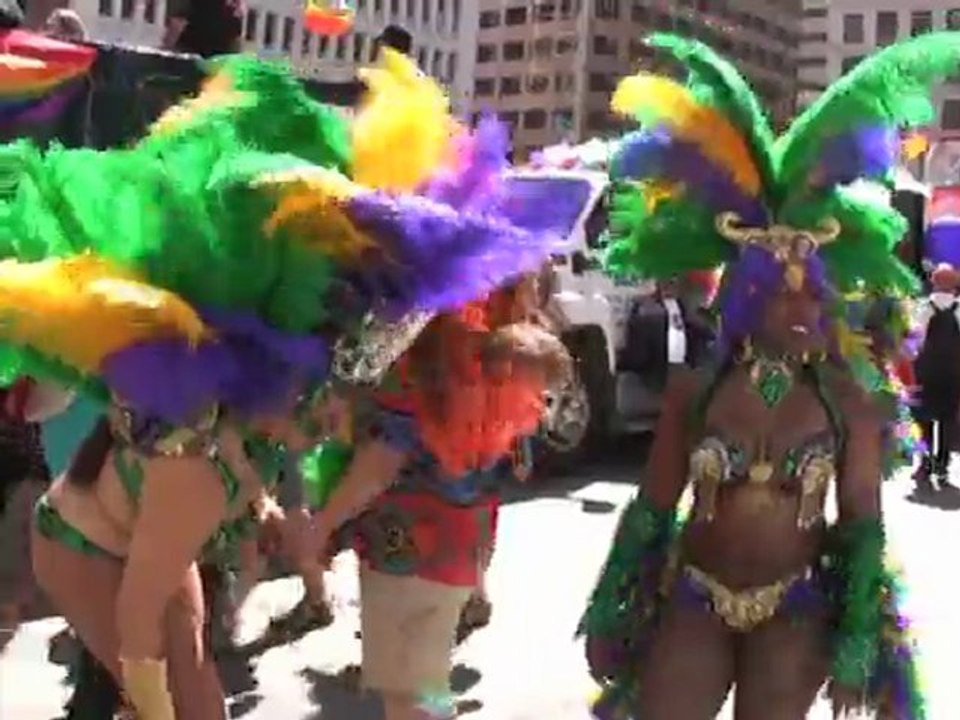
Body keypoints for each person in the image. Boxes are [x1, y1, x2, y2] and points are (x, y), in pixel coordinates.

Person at [0, 48, 556, 720]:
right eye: (321, 409)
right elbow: (138, 606)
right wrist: (147, 703)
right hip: (78, 550)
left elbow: (239, 466)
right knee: (169, 695)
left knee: (199, 690)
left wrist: (270, 514)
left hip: (149, 537)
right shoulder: (194, 472)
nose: (326, 429)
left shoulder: (239, 430)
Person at [579, 31, 939, 720]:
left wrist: (864, 635)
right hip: (695, 594)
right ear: (746, 293)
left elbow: (862, 523)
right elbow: (654, 505)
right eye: (782, 290)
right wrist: (613, 601)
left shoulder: (848, 399)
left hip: (795, 604)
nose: (801, 305)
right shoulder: (699, 386)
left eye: (811, 291)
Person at [308, 281, 570, 720]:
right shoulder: (501, 335)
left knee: (405, 697)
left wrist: (320, 526)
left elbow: (382, 459)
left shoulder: (431, 351)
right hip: (460, 547)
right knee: (427, 685)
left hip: (407, 551)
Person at [912, 262, 960, 491]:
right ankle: (942, 465)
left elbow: (915, 340)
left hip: (926, 371)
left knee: (923, 419)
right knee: (948, 420)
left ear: (933, 281)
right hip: (952, 372)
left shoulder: (924, 308)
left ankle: (924, 462)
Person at [163, 0, 244, 57]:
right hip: (215, 67)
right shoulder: (232, 17)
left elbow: (175, 27)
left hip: (190, 59)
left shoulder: (192, 11)